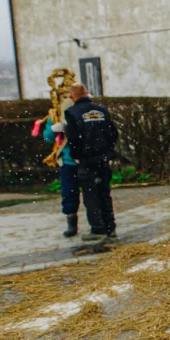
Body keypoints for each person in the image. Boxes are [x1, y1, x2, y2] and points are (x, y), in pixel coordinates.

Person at [64, 83, 119, 242]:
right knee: (105, 193)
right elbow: (113, 132)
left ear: (72, 96)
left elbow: (73, 139)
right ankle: (111, 228)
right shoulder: (101, 109)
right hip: (103, 158)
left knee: (91, 195)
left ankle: (98, 229)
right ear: (87, 93)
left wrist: (76, 155)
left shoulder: (72, 112)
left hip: (87, 160)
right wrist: (107, 149)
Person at [42, 102, 80, 236]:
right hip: (68, 161)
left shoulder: (82, 110)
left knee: (93, 194)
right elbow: (47, 137)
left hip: (86, 159)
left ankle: (98, 222)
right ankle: (71, 223)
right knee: (69, 193)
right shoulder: (55, 114)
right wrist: (53, 130)